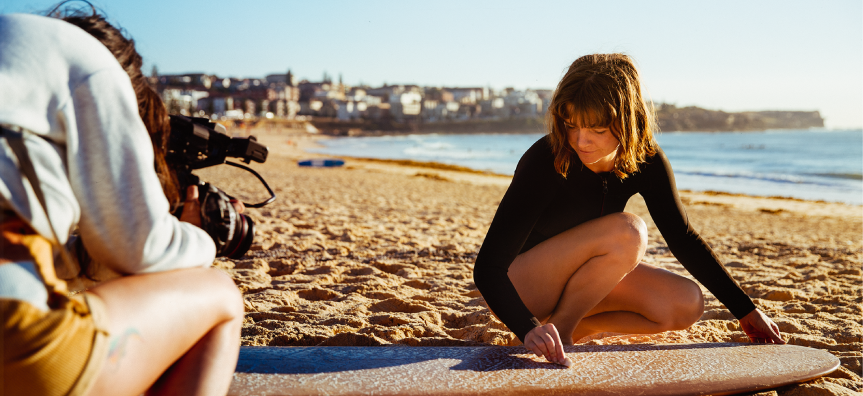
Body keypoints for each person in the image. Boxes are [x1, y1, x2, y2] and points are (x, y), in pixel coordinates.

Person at [473, 53, 784, 366]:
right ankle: (561, 332)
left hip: (580, 286)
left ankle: (575, 326)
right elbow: (488, 268)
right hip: (522, 290)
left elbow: (683, 237)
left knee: (686, 303)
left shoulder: (646, 160)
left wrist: (746, 309)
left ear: (625, 120)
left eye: (596, 128)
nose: (581, 141)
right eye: (572, 125)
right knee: (629, 232)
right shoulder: (546, 158)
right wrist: (526, 328)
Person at [1, 9, 243, 396]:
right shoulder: (90, 62)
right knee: (219, 293)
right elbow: (141, 251)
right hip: (14, 353)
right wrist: (197, 239)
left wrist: (91, 257)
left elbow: (50, 256)